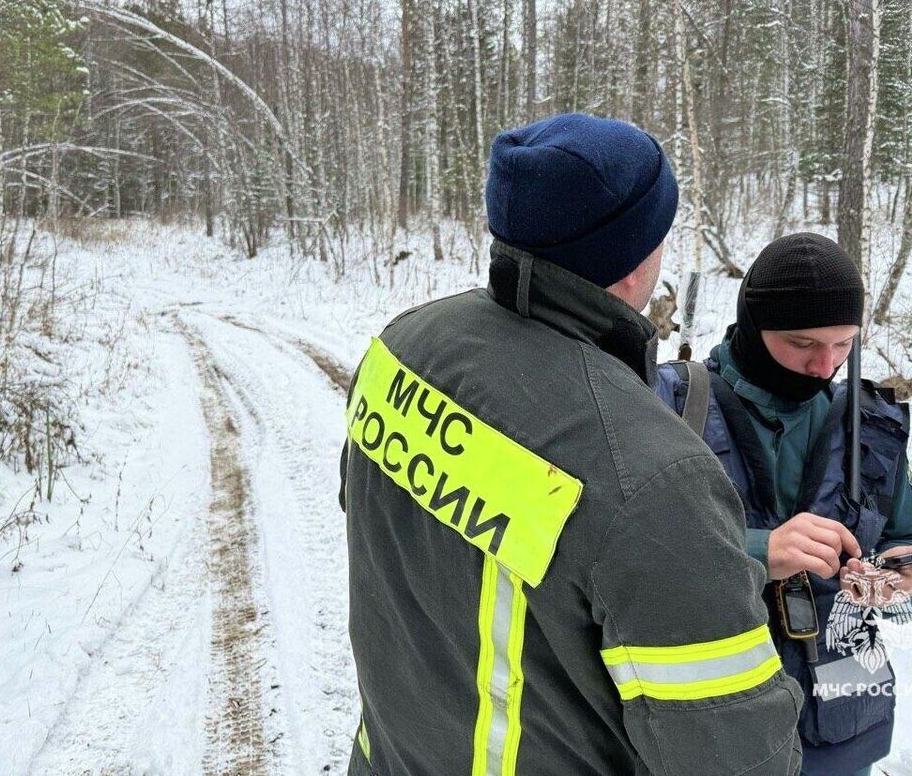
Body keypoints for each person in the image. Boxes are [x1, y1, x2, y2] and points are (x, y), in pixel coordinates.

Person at [339, 112, 803, 776]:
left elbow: (392, 532)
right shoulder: (653, 476)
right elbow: (734, 755)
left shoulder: (404, 344)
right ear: (634, 258)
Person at [657, 233, 912, 776]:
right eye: (803, 343)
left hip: (841, 724)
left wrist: (906, 580)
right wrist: (759, 551)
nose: (825, 364)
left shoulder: (868, 425)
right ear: (752, 323)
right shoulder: (667, 406)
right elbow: (613, 552)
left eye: (843, 344)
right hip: (708, 727)